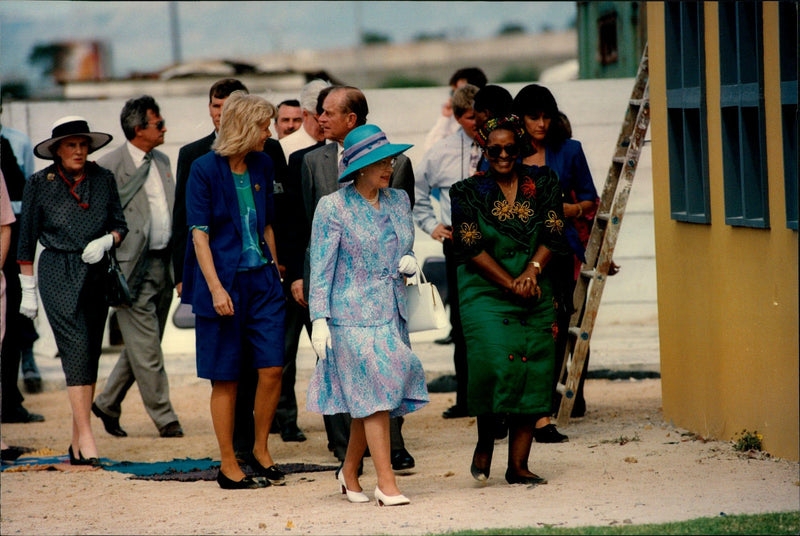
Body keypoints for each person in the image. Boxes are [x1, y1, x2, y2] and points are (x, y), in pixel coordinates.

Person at [306, 124, 429, 505]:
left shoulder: (398, 201)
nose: (388, 166)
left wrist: (409, 261)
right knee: (375, 397)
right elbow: (321, 267)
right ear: (358, 167)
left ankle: (347, 472)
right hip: (349, 316)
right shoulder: (332, 207)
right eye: (380, 161)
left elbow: (404, 247)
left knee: (371, 397)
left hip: (391, 312)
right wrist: (319, 318)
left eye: (390, 159)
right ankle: (386, 484)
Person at [449, 115, 570, 485]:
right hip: (485, 290)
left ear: (521, 148)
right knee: (493, 365)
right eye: (494, 149)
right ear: (483, 150)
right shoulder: (465, 191)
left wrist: (532, 272)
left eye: (509, 148)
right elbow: (469, 246)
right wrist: (510, 283)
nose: (502, 155)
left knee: (534, 367)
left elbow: (553, 230)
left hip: (535, 285)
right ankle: (486, 439)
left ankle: (518, 465)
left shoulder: (544, 181)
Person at [182, 91, 286, 490]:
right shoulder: (203, 169)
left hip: (262, 281)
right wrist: (215, 289)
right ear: (244, 128)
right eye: (263, 126)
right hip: (222, 283)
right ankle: (228, 464)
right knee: (224, 378)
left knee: (273, 368)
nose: (269, 133)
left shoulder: (263, 162)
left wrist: (275, 270)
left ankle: (260, 449)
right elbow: (199, 235)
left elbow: (268, 224)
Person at [17, 116, 126, 465]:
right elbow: (25, 241)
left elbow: (120, 225)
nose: (79, 151)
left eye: (83, 145)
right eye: (71, 145)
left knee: (90, 349)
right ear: (56, 150)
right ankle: (89, 437)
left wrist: (108, 240)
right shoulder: (39, 183)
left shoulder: (103, 178)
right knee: (75, 347)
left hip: (95, 270)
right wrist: (28, 290)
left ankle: (77, 440)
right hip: (57, 271)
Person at [92, 96, 183, 438]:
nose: (165, 129)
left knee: (145, 344)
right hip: (129, 270)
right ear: (138, 129)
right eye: (159, 124)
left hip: (163, 263)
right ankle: (165, 417)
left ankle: (107, 402)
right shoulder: (109, 166)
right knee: (147, 349)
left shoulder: (161, 160)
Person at [513, 84, 600, 422]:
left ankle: (551, 399)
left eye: (547, 117)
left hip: (561, 248)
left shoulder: (570, 150)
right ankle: (525, 401)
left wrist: (571, 210)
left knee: (559, 322)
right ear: (519, 119)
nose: (542, 124)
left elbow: (591, 199)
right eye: (534, 117)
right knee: (522, 323)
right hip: (517, 249)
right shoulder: (505, 151)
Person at [412, 84, 480, 419]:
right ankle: (466, 399)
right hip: (460, 246)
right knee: (463, 323)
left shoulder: (501, 147)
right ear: (457, 117)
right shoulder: (442, 152)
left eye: (480, 116)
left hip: (500, 243)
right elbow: (417, 189)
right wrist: (430, 225)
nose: (476, 123)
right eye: (469, 117)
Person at [0, 110, 44, 420]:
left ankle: (11, 400)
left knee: (12, 321)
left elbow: (24, 194)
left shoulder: (11, 143)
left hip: (8, 237)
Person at [423, 67, 487, 154]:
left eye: (460, 92)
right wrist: (445, 118)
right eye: (453, 93)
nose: (455, 97)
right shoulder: (454, 117)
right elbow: (430, 148)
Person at [279, 79, 330, 163]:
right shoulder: (284, 148)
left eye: (330, 116)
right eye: (319, 119)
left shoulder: (338, 143)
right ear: (305, 115)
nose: (325, 124)